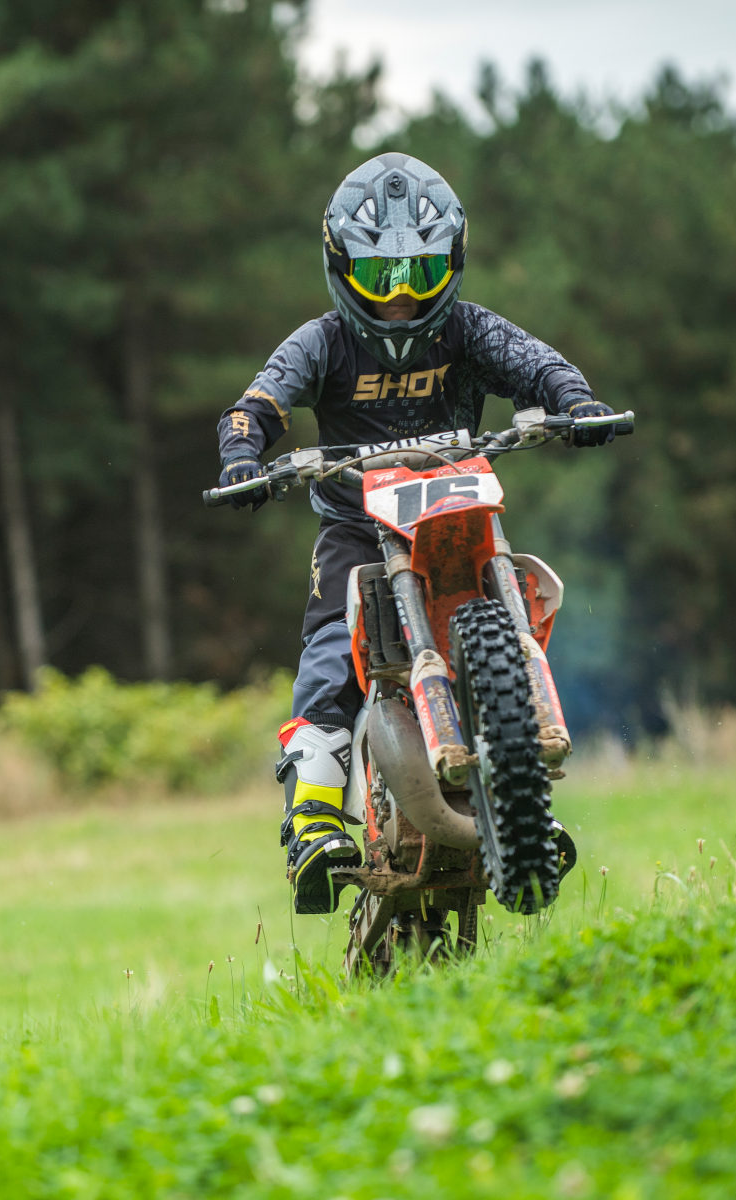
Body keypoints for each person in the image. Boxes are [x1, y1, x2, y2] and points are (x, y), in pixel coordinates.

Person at [214, 153, 618, 916]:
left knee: (521, 596)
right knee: (333, 651)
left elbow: (537, 363)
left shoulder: (468, 330)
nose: (400, 296)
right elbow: (255, 404)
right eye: (380, 276)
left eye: (421, 270)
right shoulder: (323, 341)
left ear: (453, 263)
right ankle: (314, 823)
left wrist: (577, 401)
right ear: (342, 267)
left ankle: (524, 795)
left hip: (457, 518)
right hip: (358, 533)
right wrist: (243, 455)